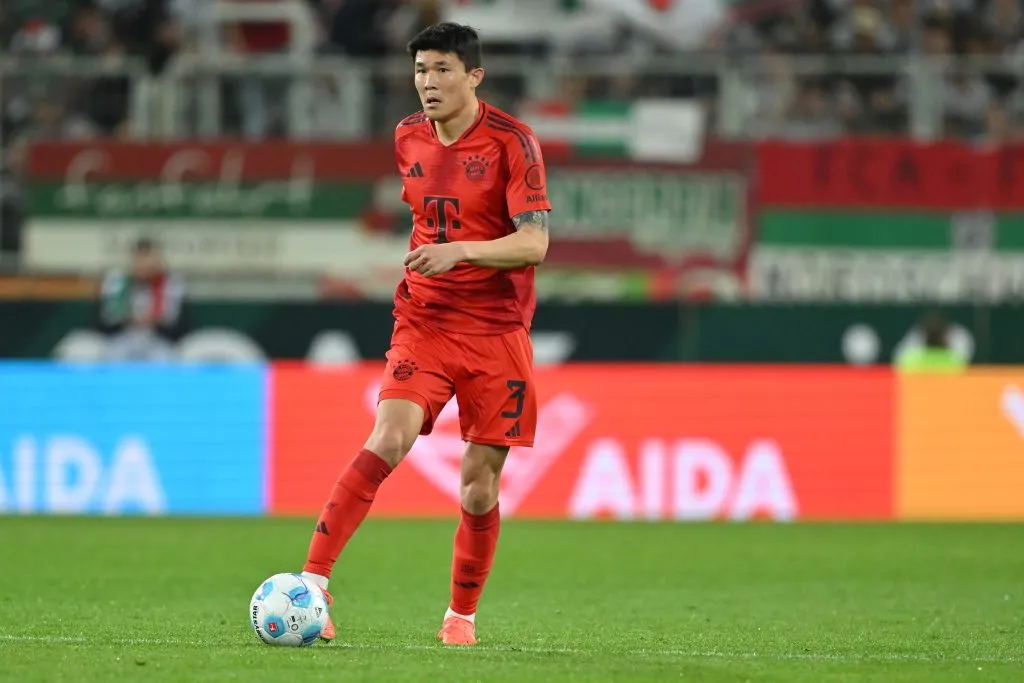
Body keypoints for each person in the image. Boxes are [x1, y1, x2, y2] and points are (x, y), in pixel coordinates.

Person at [298, 22, 552, 646]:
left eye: (441, 70)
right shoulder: (407, 135)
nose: (428, 83)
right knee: (388, 437)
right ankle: (312, 586)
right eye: (420, 71)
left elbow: (535, 242)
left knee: (478, 482)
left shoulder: (514, 142)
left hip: (497, 330)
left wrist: (459, 252)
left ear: (474, 76)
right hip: (426, 320)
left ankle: (459, 617)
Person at [98, 237, 185, 362]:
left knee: (165, 359)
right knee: (112, 357)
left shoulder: (171, 284)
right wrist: (126, 318)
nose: (144, 264)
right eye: (140, 259)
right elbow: (104, 321)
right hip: (123, 337)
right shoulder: (117, 282)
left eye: (149, 259)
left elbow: (177, 324)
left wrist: (154, 320)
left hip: (157, 339)